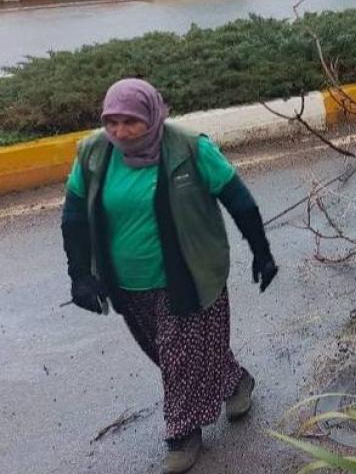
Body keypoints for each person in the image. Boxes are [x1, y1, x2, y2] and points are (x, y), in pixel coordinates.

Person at [60, 79, 278, 474]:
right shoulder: (94, 153)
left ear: (153, 115)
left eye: (131, 122)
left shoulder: (189, 147)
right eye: (112, 122)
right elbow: (74, 215)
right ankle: (234, 381)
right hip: (126, 282)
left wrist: (260, 252)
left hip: (189, 275)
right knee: (169, 354)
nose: (120, 132)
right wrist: (79, 274)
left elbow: (237, 197)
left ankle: (182, 435)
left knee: (180, 357)